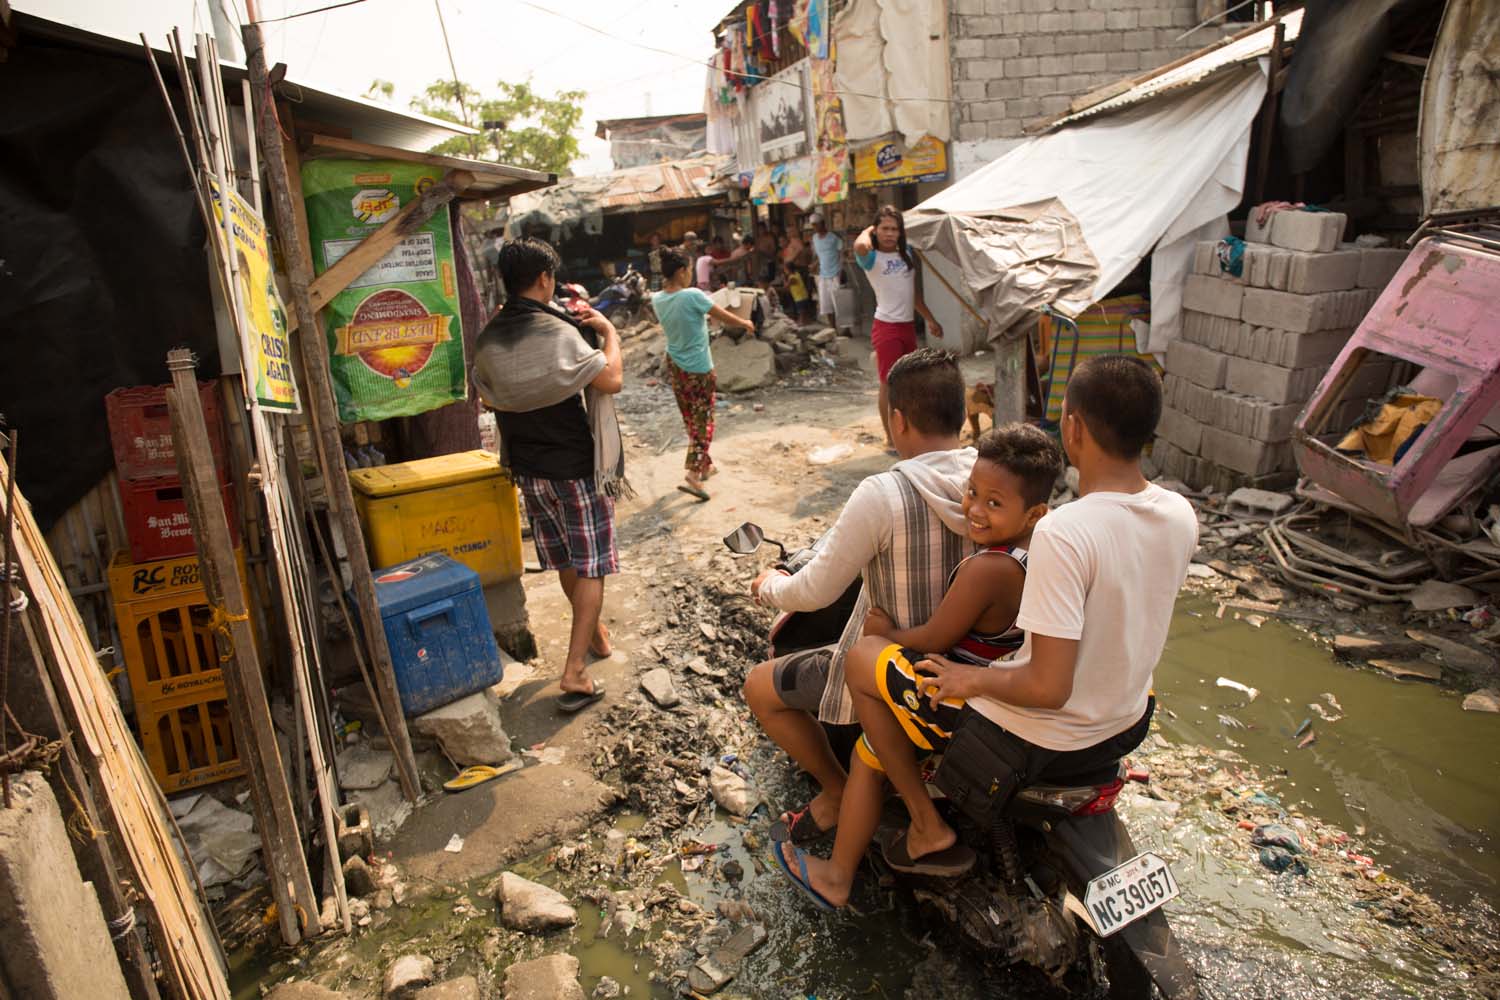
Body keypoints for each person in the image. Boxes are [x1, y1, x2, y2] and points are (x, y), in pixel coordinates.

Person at [779, 355, 1198, 909]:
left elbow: (1048, 688)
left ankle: (909, 833)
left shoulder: (1063, 532)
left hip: (1044, 737)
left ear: (1072, 426)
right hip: (1124, 725)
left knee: (863, 660)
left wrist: (965, 681)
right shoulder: (1178, 512)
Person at [770, 424, 1064, 906]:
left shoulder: (989, 569)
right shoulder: (1041, 552)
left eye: (994, 503)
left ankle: (909, 833)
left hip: (958, 700)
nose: (973, 510)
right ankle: (849, 867)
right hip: (996, 695)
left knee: (865, 668)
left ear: (1034, 512)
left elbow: (933, 638)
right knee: (870, 750)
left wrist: (882, 634)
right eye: (972, 493)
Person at [743, 348, 975, 846]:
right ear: (961, 412)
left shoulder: (883, 493)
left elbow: (815, 588)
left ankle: (837, 791)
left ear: (897, 419)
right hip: (970, 669)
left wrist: (770, 589)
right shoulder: (990, 481)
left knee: (758, 688)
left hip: (889, 670)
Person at [470, 237, 627, 714]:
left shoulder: (491, 337)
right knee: (592, 565)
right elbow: (611, 380)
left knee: (563, 558)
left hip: (529, 471)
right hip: (575, 468)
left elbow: (488, 396)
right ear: (544, 279)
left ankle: (595, 635)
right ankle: (575, 669)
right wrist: (610, 333)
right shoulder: (559, 333)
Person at [652, 247, 755, 501]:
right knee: (704, 421)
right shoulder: (692, 296)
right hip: (699, 366)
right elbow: (722, 315)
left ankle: (705, 465)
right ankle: (694, 474)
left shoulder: (657, 299)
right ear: (681, 271)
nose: (690, 275)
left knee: (691, 418)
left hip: (675, 365)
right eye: (688, 270)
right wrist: (745, 323)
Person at [854, 206, 943, 451]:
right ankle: (890, 438)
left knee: (908, 382)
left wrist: (931, 319)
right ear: (876, 230)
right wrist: (869, 229)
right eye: (885, 228)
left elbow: (913, 295)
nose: (890, 233)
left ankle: (907, 430)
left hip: (906, 327)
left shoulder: (905, 255)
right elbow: (860, 246)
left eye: (895, 229)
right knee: (888, 383)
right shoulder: (871, 258)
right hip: (886, 327)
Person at [809, 213, 843, 325]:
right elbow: (821, 255)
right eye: (813, 225)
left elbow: (841, 252)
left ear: (822, 224)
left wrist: (841, 270)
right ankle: (832, 328)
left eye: (816, 225)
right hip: (823, 274)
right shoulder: (814, 239)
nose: (814, 228)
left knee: (839, 303)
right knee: (826, 304)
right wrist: (815, 264)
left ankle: (846, 329)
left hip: (835, 274)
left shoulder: (833, 237)